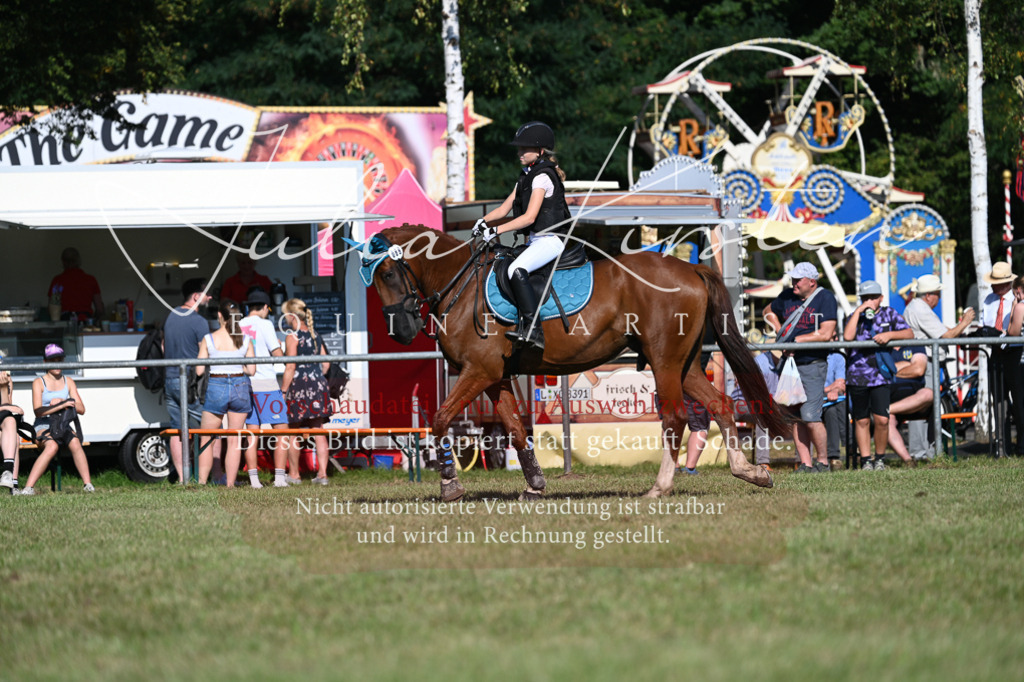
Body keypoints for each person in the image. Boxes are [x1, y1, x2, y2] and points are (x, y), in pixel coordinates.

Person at [472, 121, 572, 350]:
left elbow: (529, 218)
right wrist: (483, 222)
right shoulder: (526, 176)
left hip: (551, 240)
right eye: (519, 148)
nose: (519, 153)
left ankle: (534, 330)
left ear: (540, 150)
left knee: (516, 269)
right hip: (536, 241)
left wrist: (496, 230)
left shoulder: (542, 177)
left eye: (524, 148)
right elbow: (503, 209)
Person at [765, 262, 838, 473]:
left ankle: (823, 462)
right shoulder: (787, 296)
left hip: (812, 363)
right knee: (795, 416)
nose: (793, 283)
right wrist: (780, 330)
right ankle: (805, 464)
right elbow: (768, 311)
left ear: (812, 282)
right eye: (793, 279)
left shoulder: (825, 298)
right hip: (790, 365)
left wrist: (795, 341)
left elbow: (826, 333)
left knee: (811, 416)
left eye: (798, 280)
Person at [843, 280, 914, 470]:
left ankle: (880, 459)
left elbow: (909, 334)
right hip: (857, 376)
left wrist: (890, 336)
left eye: (873, 297)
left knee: (882, 420)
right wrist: (858, 312)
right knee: (862, 420)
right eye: (865, 298)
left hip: (881, 375)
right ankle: (866, 460)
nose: (870, 301)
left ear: (881, 298)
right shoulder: (853, 316)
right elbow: (847, 337)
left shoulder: (889, 314)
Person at [902, 274, 975, 458]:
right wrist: (965, 322)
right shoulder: (920, 309)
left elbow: (943, 331)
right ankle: (920, 452)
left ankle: (926, 451)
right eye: (937, 293)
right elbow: (946, 336)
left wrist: (958, 330)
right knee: (922, 407)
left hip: (927, 361)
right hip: (926, 362)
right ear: (928, 295)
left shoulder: (918, 307)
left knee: (927, 406)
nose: (939, 298)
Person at [239, 290, 297, 487]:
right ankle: (279, 478)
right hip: (266, 383)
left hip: (245, 384)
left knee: (251, 434)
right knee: (282, 431)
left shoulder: (238, 324)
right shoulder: (265, 324)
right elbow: (278, 355)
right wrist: (281, 347)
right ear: (265, 307)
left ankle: (254, 480)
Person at [196, 300, 255, 487]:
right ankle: (230, 484)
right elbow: (252, 370)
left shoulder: (209, 339)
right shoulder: (245, 339)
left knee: (207, 438)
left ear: (219, 315)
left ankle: (202, 482)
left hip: (217, 385)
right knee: (234, 440)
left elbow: (199, 370)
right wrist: (236, 366)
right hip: (240, 386)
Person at [20, 344, 94, 495]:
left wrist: (64, 402)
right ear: (45, 363)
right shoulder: (38, 382)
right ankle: (28, 487)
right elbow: (38, 412)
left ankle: (88, 484)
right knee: (52, 446)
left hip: (62, 424)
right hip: (43, 424)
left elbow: (81, 409)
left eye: (60, 360)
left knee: (75, 442)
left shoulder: (69, 381)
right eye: (53, 360)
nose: (57, 363)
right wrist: (59, 405)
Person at [163, 278, 214, 482]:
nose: (210, 297)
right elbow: (206, 352)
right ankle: (210, 476)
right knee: (210, 426)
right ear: (196, 296)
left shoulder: (171, 316)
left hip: (170, 378)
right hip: (190, 382)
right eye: (206, 294)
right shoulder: (199, 321)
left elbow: (164, 346)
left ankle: (183, 478)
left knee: (177, 430)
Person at [280, 298, 333, 485]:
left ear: (291, 316)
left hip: (299, 386)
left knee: (293, 431)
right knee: (319, 431)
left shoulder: (292, 336)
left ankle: (294, 475)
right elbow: (326, 363)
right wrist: (316, 376)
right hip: (318, 384)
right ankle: (323, 475)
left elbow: (290, 367)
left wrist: (283, 390)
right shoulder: (314, 334)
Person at [980, 262, 1017, 457]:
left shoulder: (1017, 300)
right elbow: (984, 324)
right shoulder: (988, 300)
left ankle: (1020, 445)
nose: (994, 285)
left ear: (1007, 283)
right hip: (995, 354)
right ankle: (1002, 447)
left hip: (1015, 354)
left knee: (1019, 400)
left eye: (997, 282)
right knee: (999, 402)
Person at [887, 345, 933, 465]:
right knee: (886, 421)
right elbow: (879, 371)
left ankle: (888, 410)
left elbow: (919, 370)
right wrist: (908, 365)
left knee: (929, 394)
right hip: (890, 397)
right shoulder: (881, 347)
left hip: (914, 401)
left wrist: (892, 370)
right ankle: (908, 461)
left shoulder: (914, 345)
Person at [47, 247, 104, 322]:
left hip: (65, 322)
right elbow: (99, 309)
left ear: (63, 262)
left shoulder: (58, 281)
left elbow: (53, 307)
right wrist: (94, 321)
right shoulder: (90, 280)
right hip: (85, 321)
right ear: (78, 261)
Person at [1004, 275, 1024, 456]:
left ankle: (1022, 446)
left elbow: (1013, 332)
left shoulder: (1020, 307)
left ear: (1018, 291)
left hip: (1020, 361)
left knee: (1020, 403)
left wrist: (1012, 308)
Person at [0, 360, 25, 493]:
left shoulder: (7, 380)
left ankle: (9, 477)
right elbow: (6, 408)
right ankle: (11, 479)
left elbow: (6, 406)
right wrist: (9, 408)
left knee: (11, 423)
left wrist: (3, 388)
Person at [822, 344, 848, 470]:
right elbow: (811, 388)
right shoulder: (810, 359)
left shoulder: (837, 357)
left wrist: (835, 390)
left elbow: (841, 385)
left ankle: (834, 456)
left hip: (833, 399)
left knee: (832, 410)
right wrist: (830, 388)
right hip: (815, 398)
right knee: (836, 407)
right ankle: (851, 445)